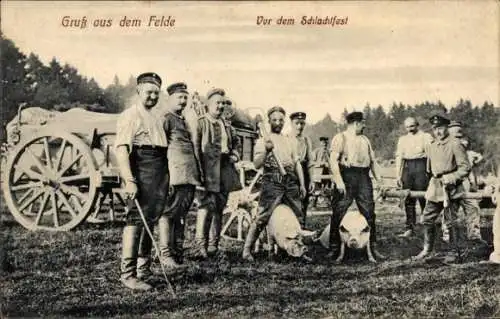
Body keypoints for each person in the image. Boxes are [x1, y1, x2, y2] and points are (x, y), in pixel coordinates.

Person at [114, 72, 168, 290]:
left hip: (158, 170)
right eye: (149, 92)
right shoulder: (130, 115)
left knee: (151, 218)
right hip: (141, 169)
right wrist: (129, 180)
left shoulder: (155, 117)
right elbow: (121, 149)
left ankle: (143, 269)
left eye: (156, 93)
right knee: (136, 219)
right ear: (138, 92)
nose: (153, 97)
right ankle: (128, 275)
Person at [242, 106, 307, 262]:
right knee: (263, 216)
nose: (278, 123)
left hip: (290, 181)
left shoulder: (289, 140)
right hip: (272, 180)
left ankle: (296, 248)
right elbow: (257, 164)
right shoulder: (263, 140)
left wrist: (302, 184)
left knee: (298, 216)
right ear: (269, 121)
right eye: (274, 120)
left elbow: (297, 164)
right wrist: (265, 150)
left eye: (281, 120)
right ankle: (246, 250)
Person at [412, 115, 470, 263]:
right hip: (435, 187)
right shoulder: (432, 145)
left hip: (451, 188)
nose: (438, 132)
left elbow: (465, 168)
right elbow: (429, 169)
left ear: (447, 128)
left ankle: (453, 251)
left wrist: (452, 177)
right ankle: (427, 248)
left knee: (450, 221)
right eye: (435, 129)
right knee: (427, 218)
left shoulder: (455, 144)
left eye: (441, 128)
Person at [327, 111, 385, 260]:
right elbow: (333, 161)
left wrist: (380, 180)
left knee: (369, 212)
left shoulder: (365, 139)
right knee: (338, 211)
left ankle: (372, 246)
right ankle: (334, 248)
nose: (364, 125)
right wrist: (339, 181)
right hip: (346, 176)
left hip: (363, 177)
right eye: (363, 123)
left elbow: (372, 162)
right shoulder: (340, 138)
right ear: (356, 123)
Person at [193, 88, 242, 259]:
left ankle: (214, 245)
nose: (220, 106)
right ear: (208, 104)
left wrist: (235, 153)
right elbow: (195, 149)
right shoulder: (200, 123)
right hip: (207, 170)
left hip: (225, 168)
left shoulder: (227, 125)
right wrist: (199, 174)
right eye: (217, 103)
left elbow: (236, 142)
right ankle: (201, 246)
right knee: (206, 207)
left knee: (220, 207)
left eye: (223, 103)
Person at [161, 82, 201, 267]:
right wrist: (166, 176)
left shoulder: (183, 120)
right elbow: (161, 150)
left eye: (186, 97)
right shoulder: (166, 118)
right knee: (168, 214)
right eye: (179, 97)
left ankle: (178, 253)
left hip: (188, 176)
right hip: (174, 176)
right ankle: (165, 254)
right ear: (169, 98)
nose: (183, 101)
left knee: (181, 215)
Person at [440, 121, 486, 244]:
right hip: (451, 184)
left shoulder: (467, 152)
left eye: (460, 136)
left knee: (472, 208)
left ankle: (474, 236)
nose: (459, 139)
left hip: (466, 184)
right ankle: (447, 236)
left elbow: (476, 161)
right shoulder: (444, 150)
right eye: (455, 136)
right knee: (449, 210)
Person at [395, 117, 433, 237]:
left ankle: (427, 226)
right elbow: (399, 157)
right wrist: (398, 175)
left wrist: (429, 171)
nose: (410, 129)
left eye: (412, 126)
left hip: (421, 166)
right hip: (408, 168)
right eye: (407, 127)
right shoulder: (403, 140)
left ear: (417, 125)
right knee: (408, 197)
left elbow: (431, 155)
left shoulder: (425, 137)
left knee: (424, 197)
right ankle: (410, 227)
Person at [289, 111, 314, 227]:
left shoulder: (306, 140)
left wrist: (312, 180)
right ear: (291, 124)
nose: (300, 126)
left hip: (304, 171)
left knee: (304, 200)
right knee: (292, 200)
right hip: (290, 171)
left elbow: (310, 161)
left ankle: (302, 226)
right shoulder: (286, 138)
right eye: (297, 123)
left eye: (302, 123)